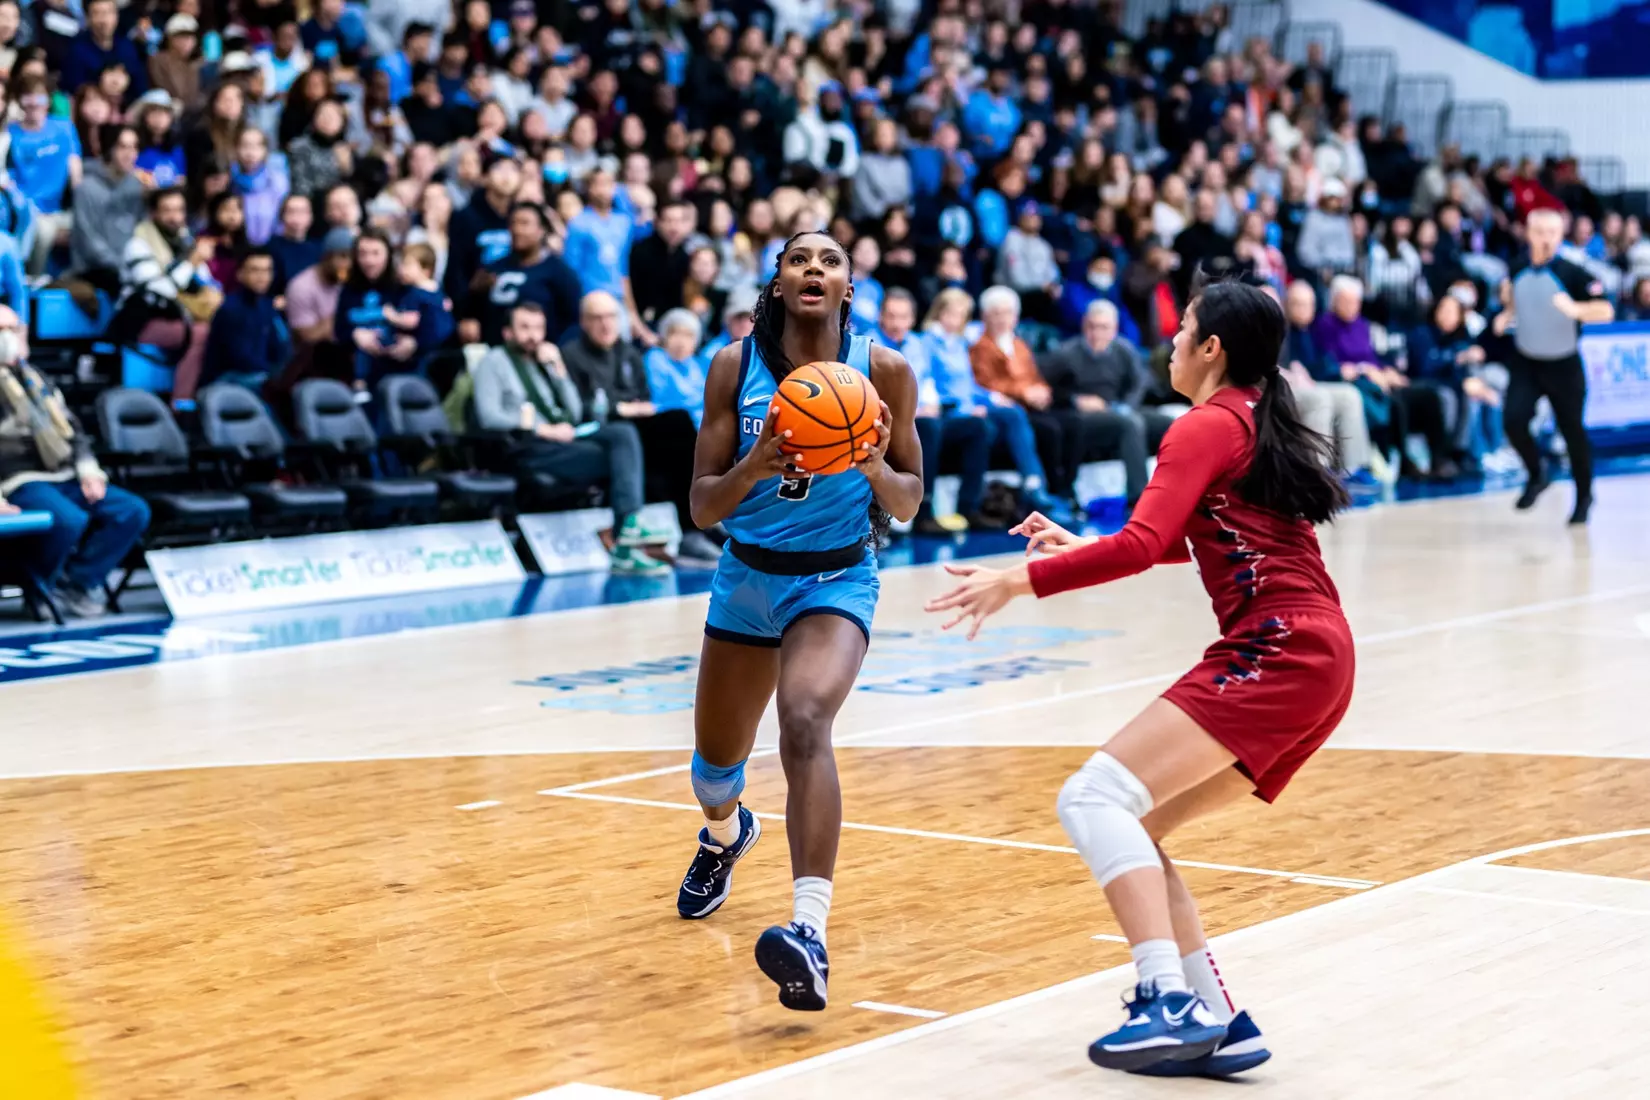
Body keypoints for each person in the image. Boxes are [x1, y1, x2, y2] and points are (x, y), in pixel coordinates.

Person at [925, 280, 1353, 1077]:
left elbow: (1140, 544)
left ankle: (1164, 999)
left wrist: (1015, 582)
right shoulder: (1248, 418)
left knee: (1091, 798)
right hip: (1320, 656)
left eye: (1182, 330)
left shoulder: (1203, 424)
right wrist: (1073, 543)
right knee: (1137, 827)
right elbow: (1172, 539)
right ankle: (1220, 1019)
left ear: (1211, 349)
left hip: (1281, 645)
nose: (1170, 343)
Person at [676, 231, 922, 1012]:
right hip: (746, 577)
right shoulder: (731, 366)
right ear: (778, 283)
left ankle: (808, 932)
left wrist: (873, 462)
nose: (814, 269)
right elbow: (702, 505)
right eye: (798, 260)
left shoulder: (883, 371)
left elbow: (910, 502)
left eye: (830, 261)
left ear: (848, 287)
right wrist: (754, 467)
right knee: (714, 770)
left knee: (806, 720)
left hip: (836, 577)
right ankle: (724, 832)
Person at [470, 301, 668, 575]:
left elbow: (574, 412)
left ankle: (628, 527)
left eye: (538, 328)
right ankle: (627, 535)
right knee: (620, 458)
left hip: (561, 440)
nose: (533, 335)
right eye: (524, 328)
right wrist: (541, 430)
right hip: (524, 447)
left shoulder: (543, 362)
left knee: (623, 434)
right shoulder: (494, 362)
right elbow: (488, 416)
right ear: (507, 332)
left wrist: (559, 371)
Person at [0, 328, 151, 619]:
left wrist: (88, 471)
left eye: (16, 329)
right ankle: (38, 585)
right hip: (18, 479)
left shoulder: (36, 379)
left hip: (65, 473)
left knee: (132, 510)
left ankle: (74, 583)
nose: (15, 335)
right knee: (68, 519)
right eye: (4, 330)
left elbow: (75, 432)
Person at [560, 290, 718, 560]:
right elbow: (577, 407)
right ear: (584, 322)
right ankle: (684, 528)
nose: (606, 324)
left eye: (611, 316)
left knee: (678, 423)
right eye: (597, 318)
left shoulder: (627, 352)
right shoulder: (571, 355)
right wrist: (619, 407)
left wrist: (626, 406)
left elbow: (643, 398)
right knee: (668, 425)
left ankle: (701, 521)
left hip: (632, 425)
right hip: (595, 430)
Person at [1496, 208, 1613, 523]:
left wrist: (1575, 308)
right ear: (1528, 233)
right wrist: (1506, 313)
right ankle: (1537, 474)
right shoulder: (1517, 267)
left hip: (1564, 364)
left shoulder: (1572, 272)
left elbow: (1606, 309)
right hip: (1526, 360)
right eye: (1540, 231)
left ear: (1561, 236)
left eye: (1552, 232)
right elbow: (1512, 299)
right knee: (1513, 421)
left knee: (1572, 432)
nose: (1546, 238)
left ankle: (1584, 496)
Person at [879, 288, 993, 534]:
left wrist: (929, 404)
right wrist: (913, 411)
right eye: (891, 316)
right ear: (881, 317)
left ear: (912, 319)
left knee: (977, 427)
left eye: (903, 317)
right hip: (888, 421)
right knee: (928, 428)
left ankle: (969, 507)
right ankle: (924, 512)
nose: (897, 323)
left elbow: (927, 381)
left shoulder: (916, 344)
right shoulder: (870, 344)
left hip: (922, 415)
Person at [1039, 300, 1175, 505]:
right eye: (1092, 326)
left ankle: (1175, 493)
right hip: (1084, 418)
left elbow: (1140, 383)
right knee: (1130, 424)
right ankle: (1139, 499)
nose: (1097, 333)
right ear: (1084, 326)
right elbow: (1043, 389)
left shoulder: (1124, 350)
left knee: (1170, 424)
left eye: (1104, 327)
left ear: (1114, 329)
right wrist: (1075, 399)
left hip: (1120, 408)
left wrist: (1126, 406)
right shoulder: (1065, 354)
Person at [1280, 281, 1375, 481]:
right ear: (1286, 304)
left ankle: (1353, 468)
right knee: (1319, 397)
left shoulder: (1309, 330)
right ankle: (1317, 471)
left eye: (1308, 304)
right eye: (1298, 304)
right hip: (1283, 384)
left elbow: (1317, 365)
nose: (1304, 310)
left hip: (1307, 383)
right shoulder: (1282, 330)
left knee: (1349, 395)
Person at [463, 203, 581, 347]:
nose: (517, 229)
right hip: (495, 353)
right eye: (513, 223)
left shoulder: (559, 272)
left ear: (541, 230)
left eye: (525, 223)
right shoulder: (493, 267)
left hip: (540, 355)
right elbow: (471, 313)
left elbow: (574, 320)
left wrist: (557, 350)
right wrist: (474, 293)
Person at [8, 74, 81, 274]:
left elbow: (75, 170)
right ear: (19, 101)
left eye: (39, 97)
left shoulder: (64, 127)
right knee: (44, 231)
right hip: (29, 210)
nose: (34, 103)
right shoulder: (11, 134)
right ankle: (32, 280)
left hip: (60, 209)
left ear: (48, 100)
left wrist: (81, 207)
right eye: (27, 97)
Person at [200, 248, 290, 394]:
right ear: (240, 274)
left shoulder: (268, 306)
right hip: (227, 380)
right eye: (255, 270)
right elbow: (241, 359)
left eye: (267, 270)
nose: (262, 277)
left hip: (260, 376)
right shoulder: (230, 309)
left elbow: (281, 348)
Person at [334, 229, 413, 392]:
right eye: (363, 254)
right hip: (357, 370)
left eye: (376, 253)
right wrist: (354, 335)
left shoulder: (403, 288)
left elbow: (424, 323)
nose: (369, 261)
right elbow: (339, 329)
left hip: (398, 368)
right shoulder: (349, 290)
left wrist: (413, 342)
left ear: (388, 255)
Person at [70, 123, 144, 292]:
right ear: (109, 148)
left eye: (134, 148)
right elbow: (87, 239)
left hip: (128, 263)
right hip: (93, 269)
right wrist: (119, 265)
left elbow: (140, 228)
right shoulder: (86, 187)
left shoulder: (135, 185)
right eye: (122, 147)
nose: (130, 155)